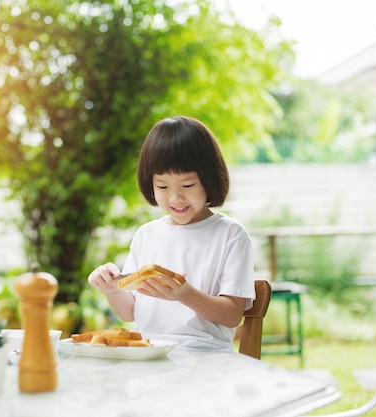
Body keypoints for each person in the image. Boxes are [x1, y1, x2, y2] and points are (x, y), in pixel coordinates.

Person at [87, 116, 255, 351]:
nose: (176, 198)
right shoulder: (147, 234)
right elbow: (129, 311)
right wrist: (112, 289)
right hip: (150, 353)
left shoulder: (230, 235)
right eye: (163, 187)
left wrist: (185, 294)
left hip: (204, 355)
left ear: (208, 180)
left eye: (187, 186)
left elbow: (232, 315)